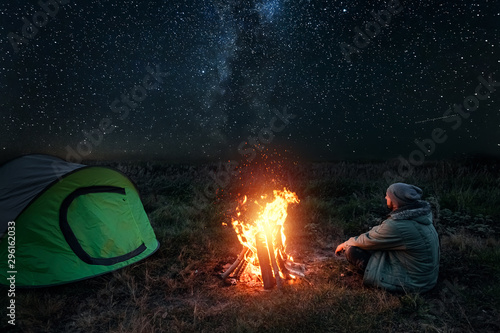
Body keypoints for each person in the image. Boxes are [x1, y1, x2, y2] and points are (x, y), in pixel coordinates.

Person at [335, 183, 439, 293]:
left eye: (387, 195)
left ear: (395, 200)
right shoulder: (420, 217)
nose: (385, 198)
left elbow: (368, 240)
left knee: (351, 250)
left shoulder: (398, 226)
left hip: (413, 284)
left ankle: (373, 277)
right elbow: (378, 233)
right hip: (426, 279)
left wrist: (345, 244)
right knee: (377, 245)